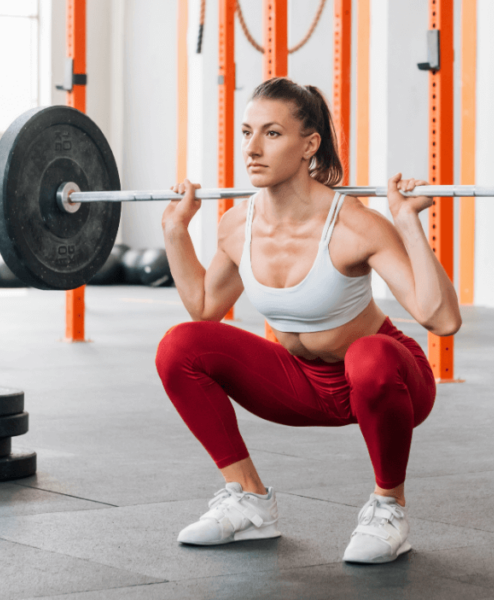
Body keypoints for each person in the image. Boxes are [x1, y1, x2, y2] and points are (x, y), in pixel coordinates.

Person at [155, 76, 461, 565]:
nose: (252, 148)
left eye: (272, 134)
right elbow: (205, 309)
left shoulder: (355, 223)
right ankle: (249, 499)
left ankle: (389, 509)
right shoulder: (238, 223)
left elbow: (442, 319)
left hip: (387, 381)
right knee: (179, 346)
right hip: (301, 382)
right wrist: (175, 232)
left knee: (370, 355)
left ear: (309, 145)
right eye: (247, 132)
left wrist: (407, 221)